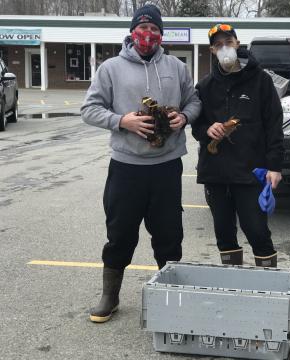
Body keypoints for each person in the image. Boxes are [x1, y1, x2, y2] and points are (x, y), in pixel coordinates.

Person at [81, 4, 201, 323]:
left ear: (162, 35)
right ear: (133, 32)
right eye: (143, 29)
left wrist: (184, 116)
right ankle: (111, 295)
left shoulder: (176, 67)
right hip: (126, 166)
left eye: (154, 30)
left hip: (166, 166)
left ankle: (170, 295)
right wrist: (122, 121)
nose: (148, 35)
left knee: (169, 233)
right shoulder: (111, 68)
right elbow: (89, 109)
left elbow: (195, 100)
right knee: (120, 232)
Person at [191, 24, 284, 267]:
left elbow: (275, 125)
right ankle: (233, 280)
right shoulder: (205, 85)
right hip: (216, 172)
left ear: (237, 43)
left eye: (228, 42)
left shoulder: (261, 81)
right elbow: (196, 125)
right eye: (218, 44)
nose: (224, 48)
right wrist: (206, 129)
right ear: (212, 50)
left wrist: (275, 166)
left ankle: (268, 283)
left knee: (256, 231)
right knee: (223, 233)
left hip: (251, 171)